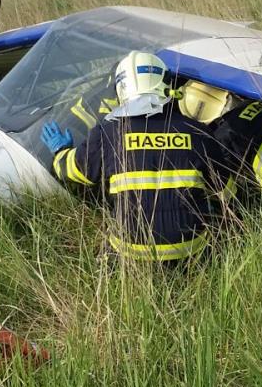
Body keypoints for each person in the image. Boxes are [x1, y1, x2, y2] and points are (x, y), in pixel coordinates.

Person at [42, 52, 237, 263]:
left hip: (129, 251)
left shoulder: (108, 134)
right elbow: (226, 193)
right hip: (190, 250)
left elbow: (68, 171)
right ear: (167, 85)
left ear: (121, 89)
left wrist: (60, 150)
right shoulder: (197, 132)